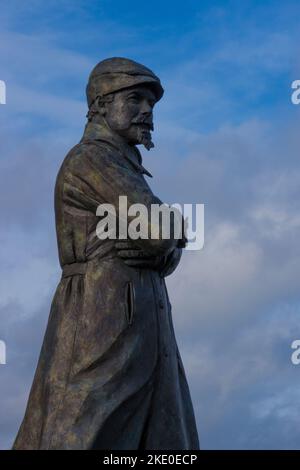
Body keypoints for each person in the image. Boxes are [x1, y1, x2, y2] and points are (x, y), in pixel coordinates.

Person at [13, 57, 200, 450]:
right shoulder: (92, 158)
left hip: (144, 325)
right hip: (102, 322)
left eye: (151, 103)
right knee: (87, 431)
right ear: (100, 103)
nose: (147, 111)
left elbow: (165, 246)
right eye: (135, 99)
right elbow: (157, 233)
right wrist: (169, 234)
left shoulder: (124, 166)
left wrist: (168, 240)